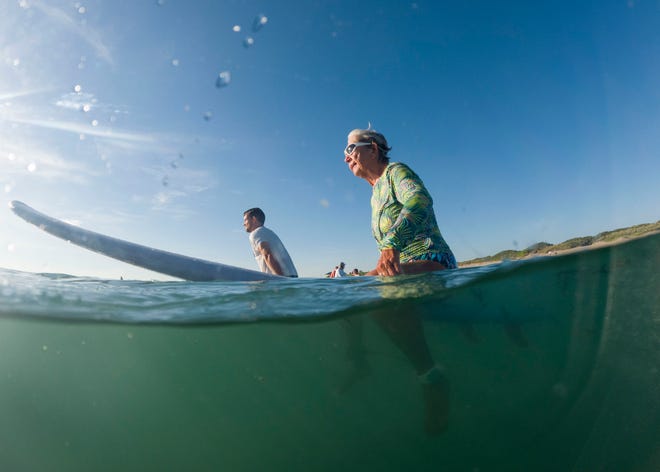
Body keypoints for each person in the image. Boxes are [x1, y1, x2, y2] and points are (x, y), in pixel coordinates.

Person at [343, 127, 457, 435]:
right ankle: (358, 361)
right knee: (342, 291)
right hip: (402, 269)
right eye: (344, 153)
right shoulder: (373, 195)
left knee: (379, 292)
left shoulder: (396, 172)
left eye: (351, 148)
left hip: (435, 261)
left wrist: (391, 242)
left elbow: (420, 200)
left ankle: (431, 376)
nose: (346, 157)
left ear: (374, 149)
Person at [243, 208, 298, 277]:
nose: (244, 224)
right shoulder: (269, 232)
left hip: (281, 277)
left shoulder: (256, 233)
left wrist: (281, 280)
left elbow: (267, 255)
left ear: (254, 219)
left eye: (245, 220)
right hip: (292, 275)